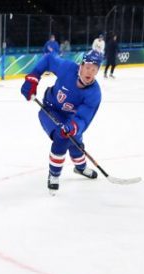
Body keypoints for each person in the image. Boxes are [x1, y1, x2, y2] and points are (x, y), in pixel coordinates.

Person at [19, 50, 102, 195]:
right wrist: (33, 78)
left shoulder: (94, 93)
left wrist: (73, 127)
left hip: (70, 118)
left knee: (76, 142)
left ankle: (80, 168)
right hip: (50, 110)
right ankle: (54, 175)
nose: (90, 72)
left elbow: (83, 118)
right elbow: (48, 59)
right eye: (88, 67)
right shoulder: (68, 68)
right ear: (81, 66)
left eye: (94, 69)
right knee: (61, 138)